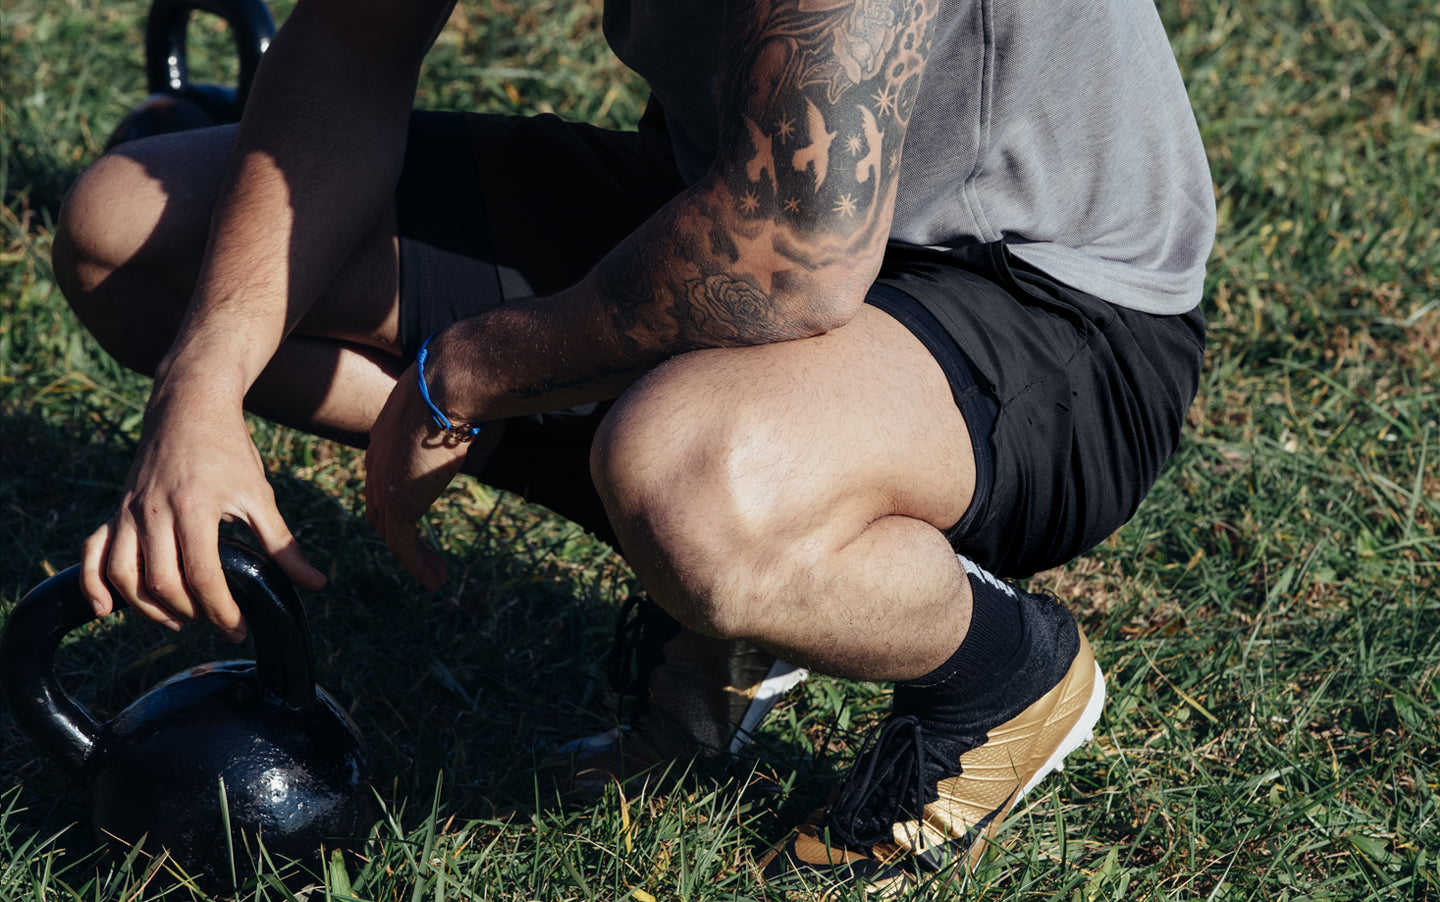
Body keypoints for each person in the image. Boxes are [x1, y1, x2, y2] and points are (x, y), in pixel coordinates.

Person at [50, 0, 1214, 891]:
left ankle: (998, 666)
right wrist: (201, 388)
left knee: (692, 480)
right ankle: (731, 594)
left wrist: (473, 371)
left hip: (1042, 289)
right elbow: (352, 49)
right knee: (134, 239)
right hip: (720, 194)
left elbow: (793, 253)